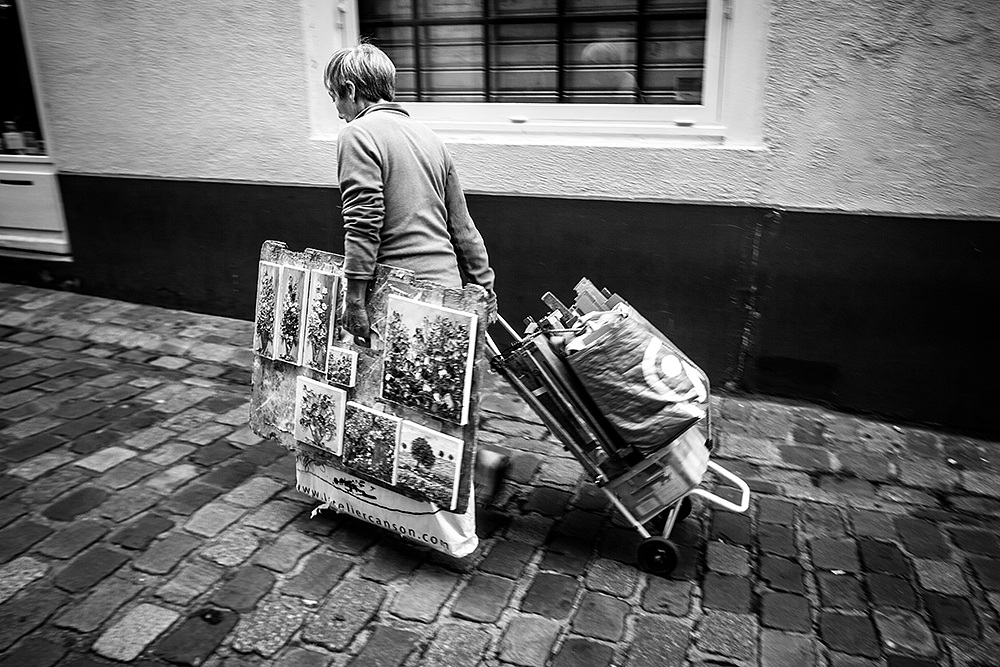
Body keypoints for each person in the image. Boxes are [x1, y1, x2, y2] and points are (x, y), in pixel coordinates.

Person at [324, 41, 508, 504]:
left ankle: (430, 484)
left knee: (383, 393)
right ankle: (475, 464)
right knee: (434, 392)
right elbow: (462, 226)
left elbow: (362, 220)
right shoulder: (430, 139)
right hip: (444, 286)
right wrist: (482, 286)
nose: (338, 111)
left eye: (336, 99)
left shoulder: (357, 136)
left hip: (399, 291)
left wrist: (354, 298)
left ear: (351, 90)